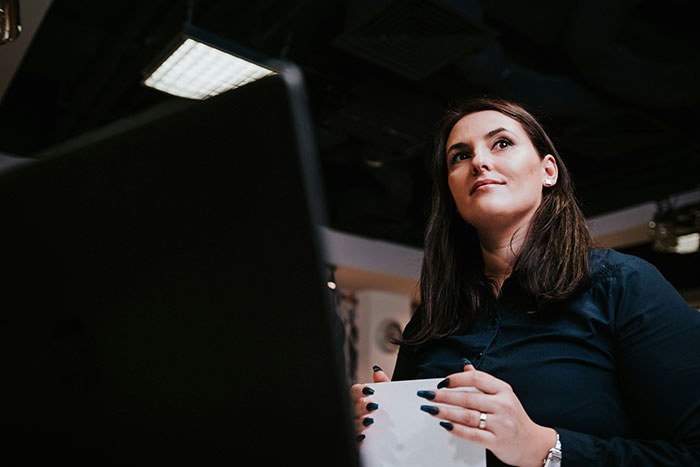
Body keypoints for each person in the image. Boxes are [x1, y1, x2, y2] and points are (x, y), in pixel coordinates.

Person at [351, 97, 700, 466]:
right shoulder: (431, 319)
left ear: (548, 171)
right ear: (452, 193)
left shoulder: (623, 285)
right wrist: (379, 438)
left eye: (501, 143)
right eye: (460, 156)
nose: (480, 162)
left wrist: (541, 446)